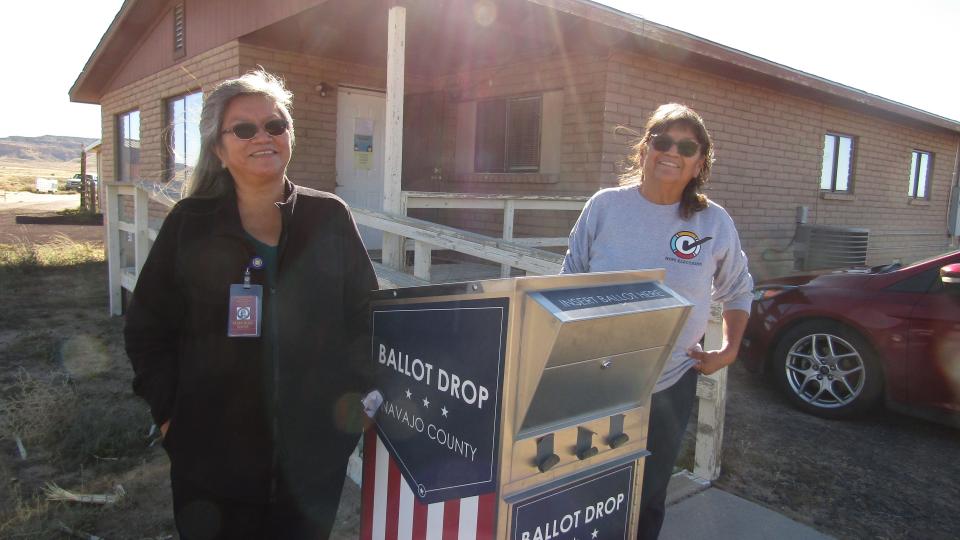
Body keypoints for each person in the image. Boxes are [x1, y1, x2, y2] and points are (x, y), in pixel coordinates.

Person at [124, 70, 378, 539]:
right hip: (211, 465)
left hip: (312, 463)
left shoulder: (329, 218)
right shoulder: (190, 225)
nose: (263, 136)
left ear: (289, 136)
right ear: (219, 149)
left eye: (274, 125)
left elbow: (366, 317)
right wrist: (169, 418)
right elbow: (147, 329)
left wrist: (357, 407)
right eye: (243, 129)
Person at [561, 103, 754, 540]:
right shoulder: (605, 207)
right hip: (594, 376)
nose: (672, 152)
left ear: (700, 161)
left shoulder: (713, 222)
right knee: (583, 487)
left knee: (647, 495)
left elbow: (738, 289)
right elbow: (568, 281)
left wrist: (730, 347)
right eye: (662, 141)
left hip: (668, 384)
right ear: (645, 148)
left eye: (686, 146)